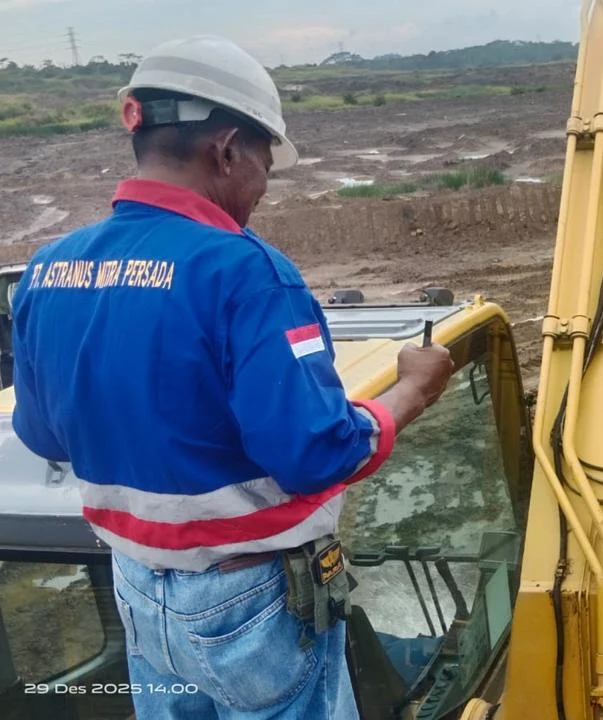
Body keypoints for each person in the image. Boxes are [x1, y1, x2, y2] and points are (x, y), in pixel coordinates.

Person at [9, 35, 453, 718]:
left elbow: (44, 436)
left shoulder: (49, 269)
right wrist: (412, 391)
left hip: (138, 589)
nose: (261, 192)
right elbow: (315, 452)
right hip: (250, 604)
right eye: (263, 168)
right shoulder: (245, 272)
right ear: (226, 149)